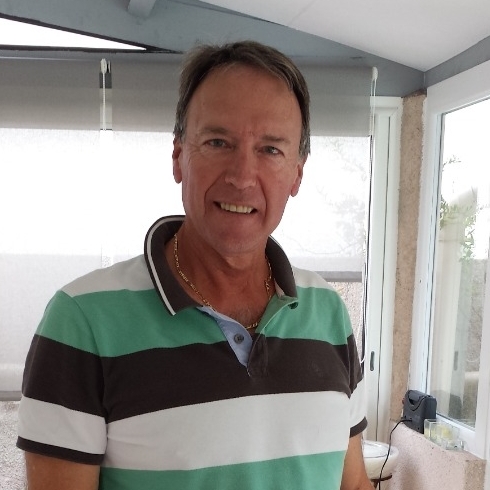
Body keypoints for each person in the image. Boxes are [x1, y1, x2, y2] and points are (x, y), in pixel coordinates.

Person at [17, 40, 373, 490]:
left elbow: (352, 484)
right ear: (178, 156)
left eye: (270, 149)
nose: (241, 176)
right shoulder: (81, 321)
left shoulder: (328, 313)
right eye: (218, 142)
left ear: (297, 173)